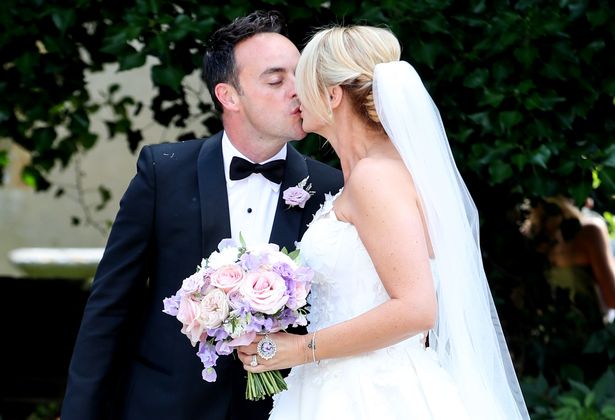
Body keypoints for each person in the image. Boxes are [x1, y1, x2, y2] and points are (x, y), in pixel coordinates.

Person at [60, 11, 343, 420]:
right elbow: (110, 305)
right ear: (228, 96)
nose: (297, 91)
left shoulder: (331, 187)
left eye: (300, 75)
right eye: (276, 80)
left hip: (282, 408)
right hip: (165, 406)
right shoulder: (163, 172)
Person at [237, 26, 530, 419]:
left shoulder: (375, 178)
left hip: (373, 396)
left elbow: (416, 308)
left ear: (332, 95)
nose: (293, 93)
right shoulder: (371, 175)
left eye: (301, 81)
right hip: (340, 386)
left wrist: (301, 348)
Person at [521, 196, 615, 324]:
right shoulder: (589, 231)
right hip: (591, 334)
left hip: (548, 332)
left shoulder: (531, 235)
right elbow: (612, 298)